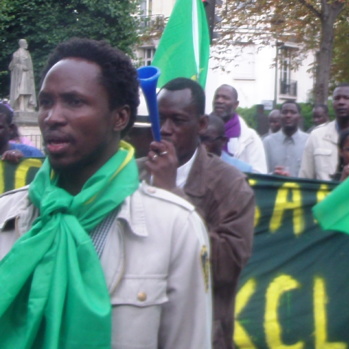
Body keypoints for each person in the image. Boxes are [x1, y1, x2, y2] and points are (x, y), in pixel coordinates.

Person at [0, 38, 211, 348]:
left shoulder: (175, 227)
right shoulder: (7, 216)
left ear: (120, 117)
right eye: (46, 101)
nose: (52, 116)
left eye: (74, 101)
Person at [139, 77, 255, 349]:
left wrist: (173, 195)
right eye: (160, 119)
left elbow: (227, 266)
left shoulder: (230, 184)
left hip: (202, 333)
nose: (165, 130)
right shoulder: (132, 174)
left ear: (201, 125)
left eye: (177, 120)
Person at [212, 84, 267, 173]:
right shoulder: (201, 130)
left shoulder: (250, 138)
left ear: (235, 104)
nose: (219, 100)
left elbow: (259, 174)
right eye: (217, 97)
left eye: (225, 98)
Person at [263, 102, 308, 176]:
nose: (288, 115)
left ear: (299, 117)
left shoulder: (309, 141)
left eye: (293, 112)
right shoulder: (267, 142)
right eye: (284, 112)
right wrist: (273, 175)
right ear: (280, 117)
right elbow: (261, 173)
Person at [8, 39, 37, 111]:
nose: (27, 44)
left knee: (28, 92)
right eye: (25, 43)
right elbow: (11, 66)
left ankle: (26, 107)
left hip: (27, 75)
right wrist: (20, 67)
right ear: (22, 44)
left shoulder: (27, 53)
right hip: (21, 75)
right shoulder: (17, 54)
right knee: (21, 91)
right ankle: (21, 107)